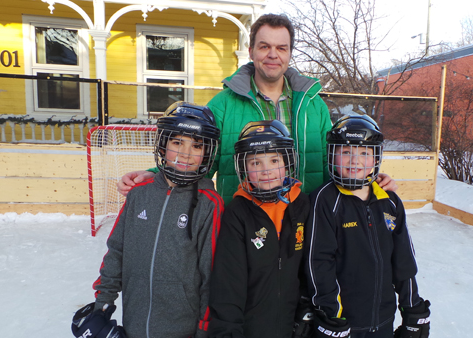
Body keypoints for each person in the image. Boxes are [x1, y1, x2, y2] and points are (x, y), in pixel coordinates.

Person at [116, 13, 397, 204]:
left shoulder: (313, 105)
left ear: (289, 53)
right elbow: (198, 158)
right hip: (243, 226)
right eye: (264, 46)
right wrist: (155, 173)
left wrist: (369, 180)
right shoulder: (223, 104)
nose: (272, 55)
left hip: (306, 222)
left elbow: (332, 162)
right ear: (251, 51)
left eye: (281, 48)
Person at [71, 102, 224, 338]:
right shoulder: (140, 193)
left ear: (207, 153)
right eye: (177, 142)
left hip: (182, 328)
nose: (185, 153)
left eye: (196, 145)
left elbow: (210, 273)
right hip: (135, 322)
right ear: (163, 146)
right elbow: (117, 250)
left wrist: (204, 328)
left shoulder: (209, 203)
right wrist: (103, 302)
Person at [305, 114, 430, 338]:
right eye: (346, 152)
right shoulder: (324, 201)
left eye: (364, 153)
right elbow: (319, 264)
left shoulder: (389, 201)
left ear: (376, 158)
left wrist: (412, 307)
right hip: (344, 324)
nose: (355, 161)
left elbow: (403, 259)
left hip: (383, 320)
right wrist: (332, 315)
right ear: (332, 155)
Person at [207, 120, 312, 338]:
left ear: (287, 162)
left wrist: (306, 309)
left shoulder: (302, 204)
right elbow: (228, 282)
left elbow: (311, 265)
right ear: (244, 167)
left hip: (293, 325)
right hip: (250, 328)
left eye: (274, 160)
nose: (266, 171)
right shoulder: (238, 212)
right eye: (256, 163)